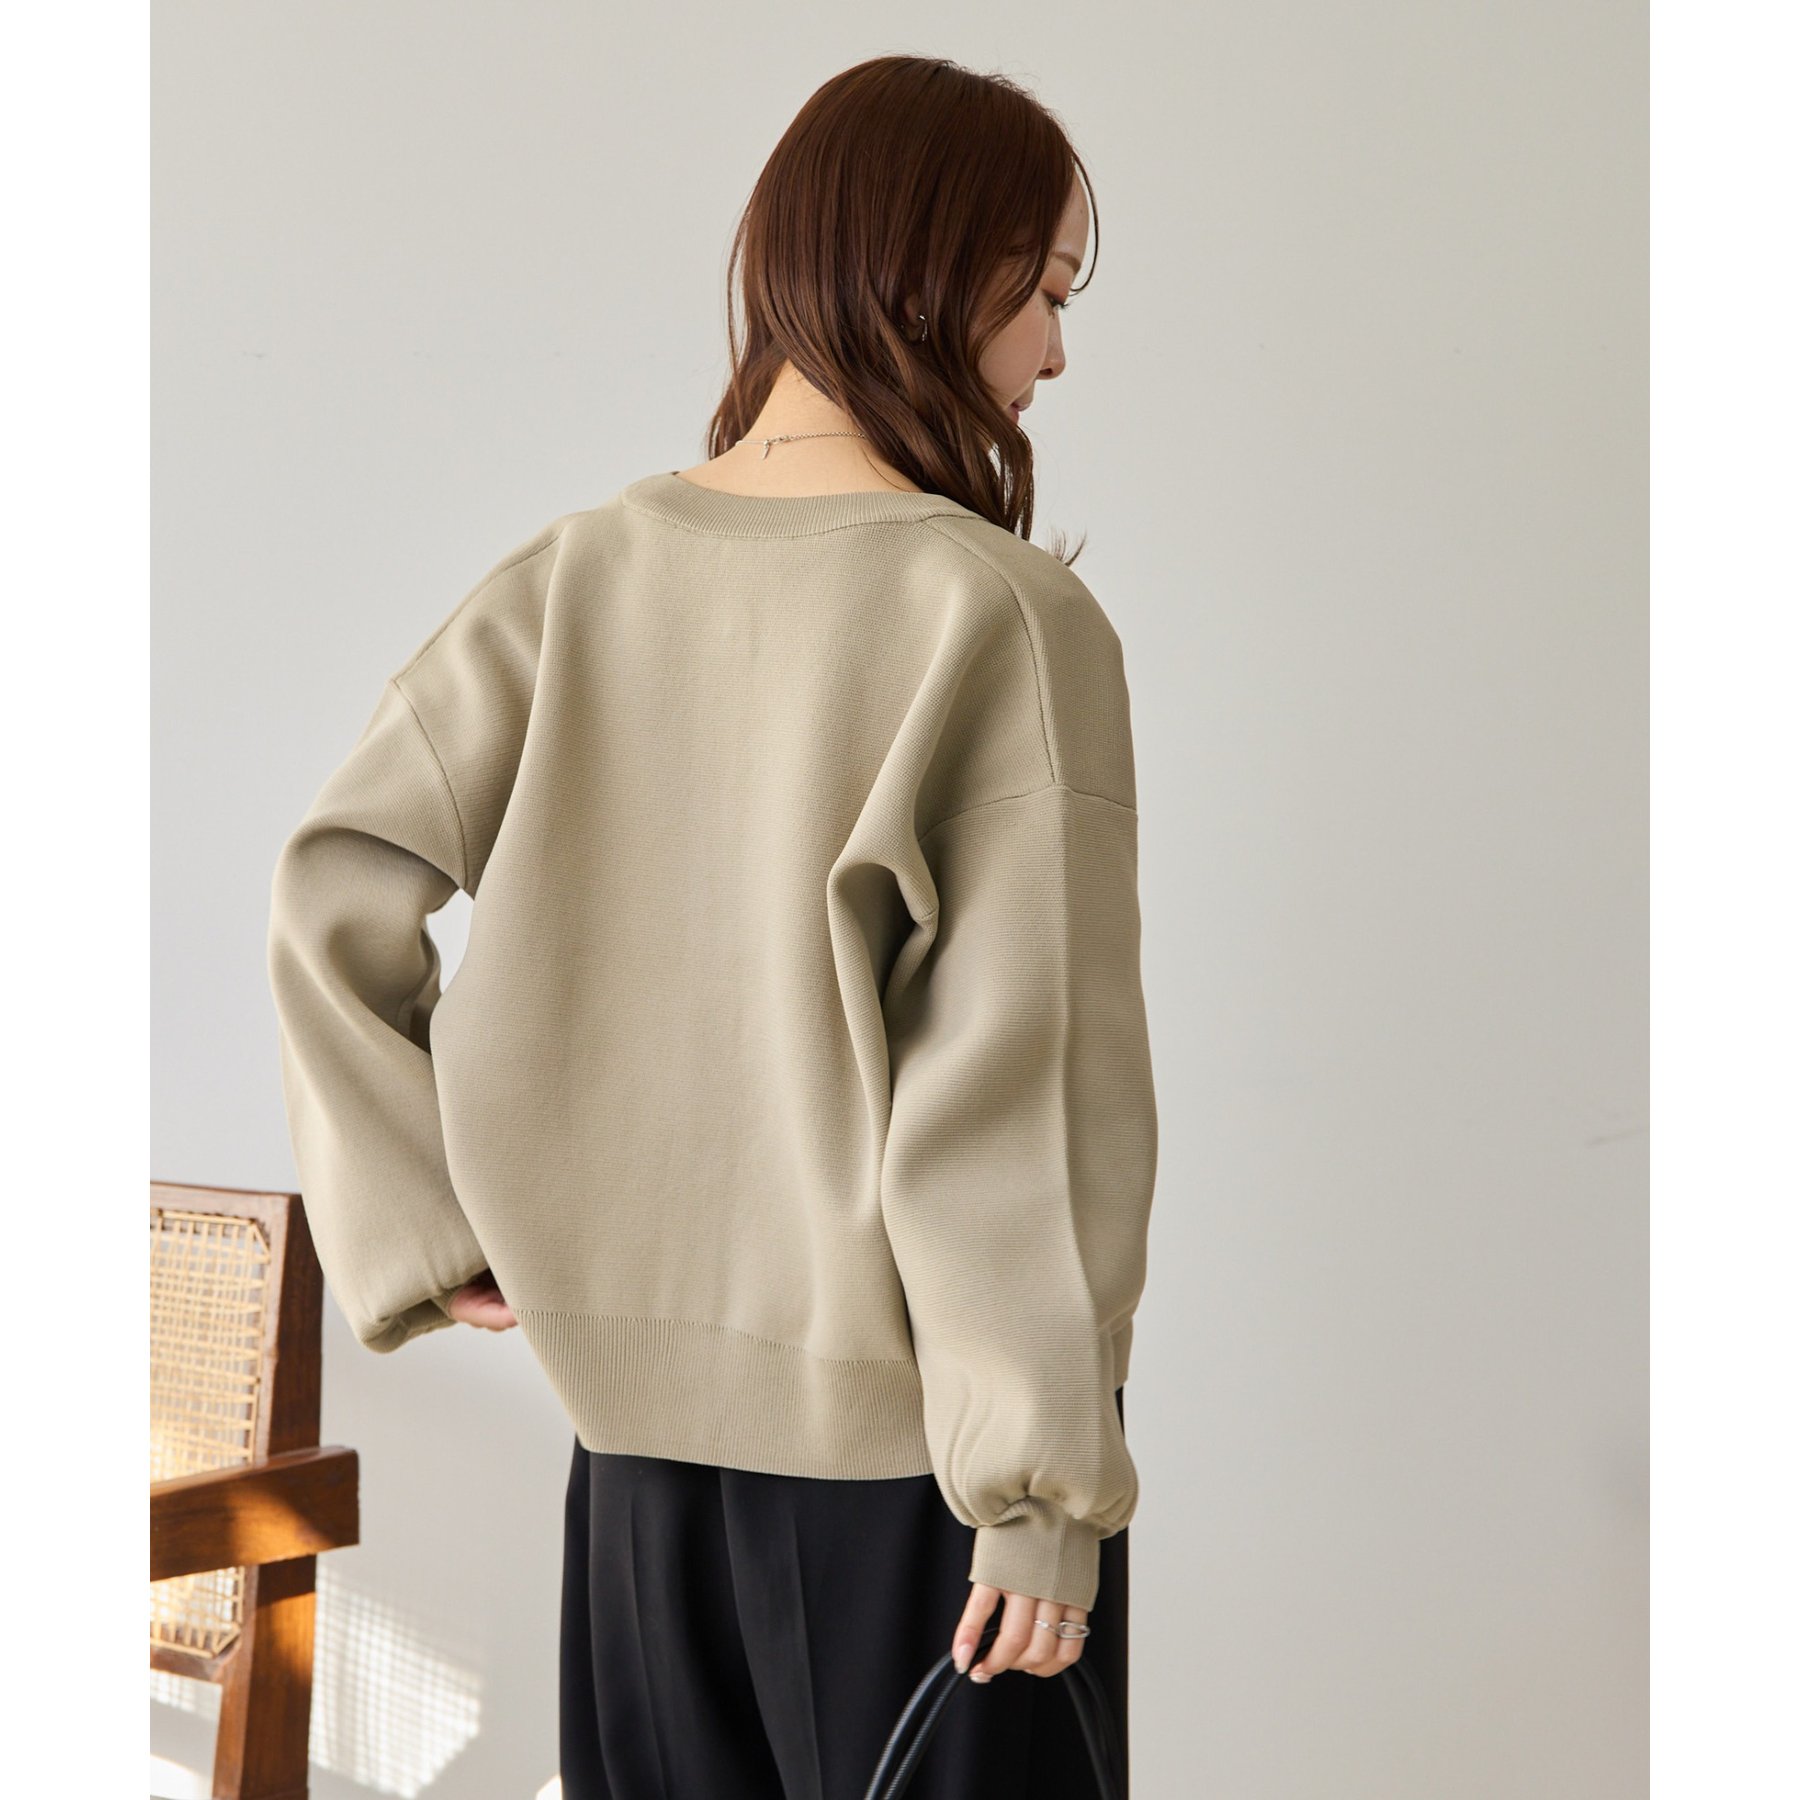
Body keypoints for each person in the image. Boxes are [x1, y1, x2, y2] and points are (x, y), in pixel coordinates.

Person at [266, 53, 1157, 1799]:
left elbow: (334, 878)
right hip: (923, 1499)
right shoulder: (995, 615)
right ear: (939, 271)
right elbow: (1014, 1090)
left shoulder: (577, 574)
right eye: (1047, 292)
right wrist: (1042, 1493)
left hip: (630, 1483)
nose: (1056, 354)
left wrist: (424, 1221)